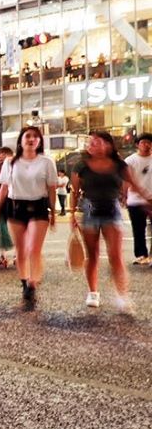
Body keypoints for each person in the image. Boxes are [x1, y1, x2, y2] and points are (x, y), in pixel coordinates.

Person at [72, 132, 152, 312]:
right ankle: (93, 292)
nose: (92, 145)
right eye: (90, 142)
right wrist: (71, 215)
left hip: (112, 210)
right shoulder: (81, 165)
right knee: (92, 255)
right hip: (89, 210)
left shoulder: (119, 165)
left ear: (108, 145)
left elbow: (135, 184)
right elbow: (74, 192)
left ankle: (122, 295)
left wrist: (147, 201)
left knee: (115, 256)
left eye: (97, 142)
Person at [0, 126, 56, 311]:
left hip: (39, 207)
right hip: (15, 207)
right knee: (21, 251)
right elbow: (3, 187)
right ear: (21, 140)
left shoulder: (47, 162)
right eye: (28, 136)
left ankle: (33, 283)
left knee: (34, 248)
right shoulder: (10, 162)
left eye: (36, 137)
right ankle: (25, 284)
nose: (31, 139)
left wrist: (54, 211)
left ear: (40, 142)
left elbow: (51, 188)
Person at [124, 133, 152, 264]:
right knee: (138, 229)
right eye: (143, 142)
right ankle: (142, 255)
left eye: (149, 142)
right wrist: (124, 196)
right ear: (137, 145)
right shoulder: (130, 160)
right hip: (135, 201)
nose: (147, 145)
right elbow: (127, 181)